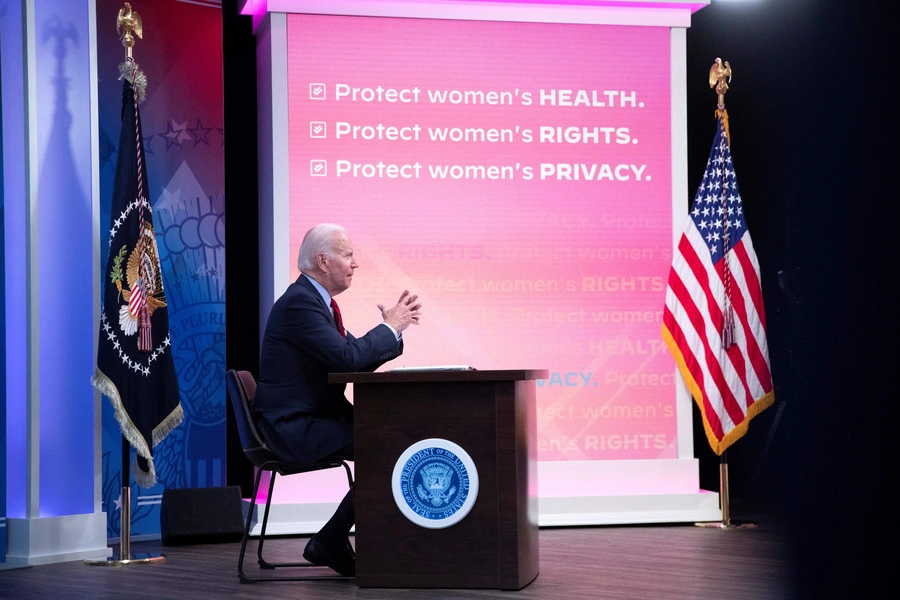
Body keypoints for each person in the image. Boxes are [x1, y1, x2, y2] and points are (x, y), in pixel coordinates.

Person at [253, 223, 422, 576]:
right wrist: (389, 328)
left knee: (394, 442)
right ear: (322, 260)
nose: (354, 264)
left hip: (312, 418)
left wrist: (394, 331)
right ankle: (330, 540)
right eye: (347, 256)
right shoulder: (301, 304)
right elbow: (348, 359)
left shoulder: (315, 302)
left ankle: (332, 539)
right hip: (292, 428)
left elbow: (351, 356)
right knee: (389, 447)